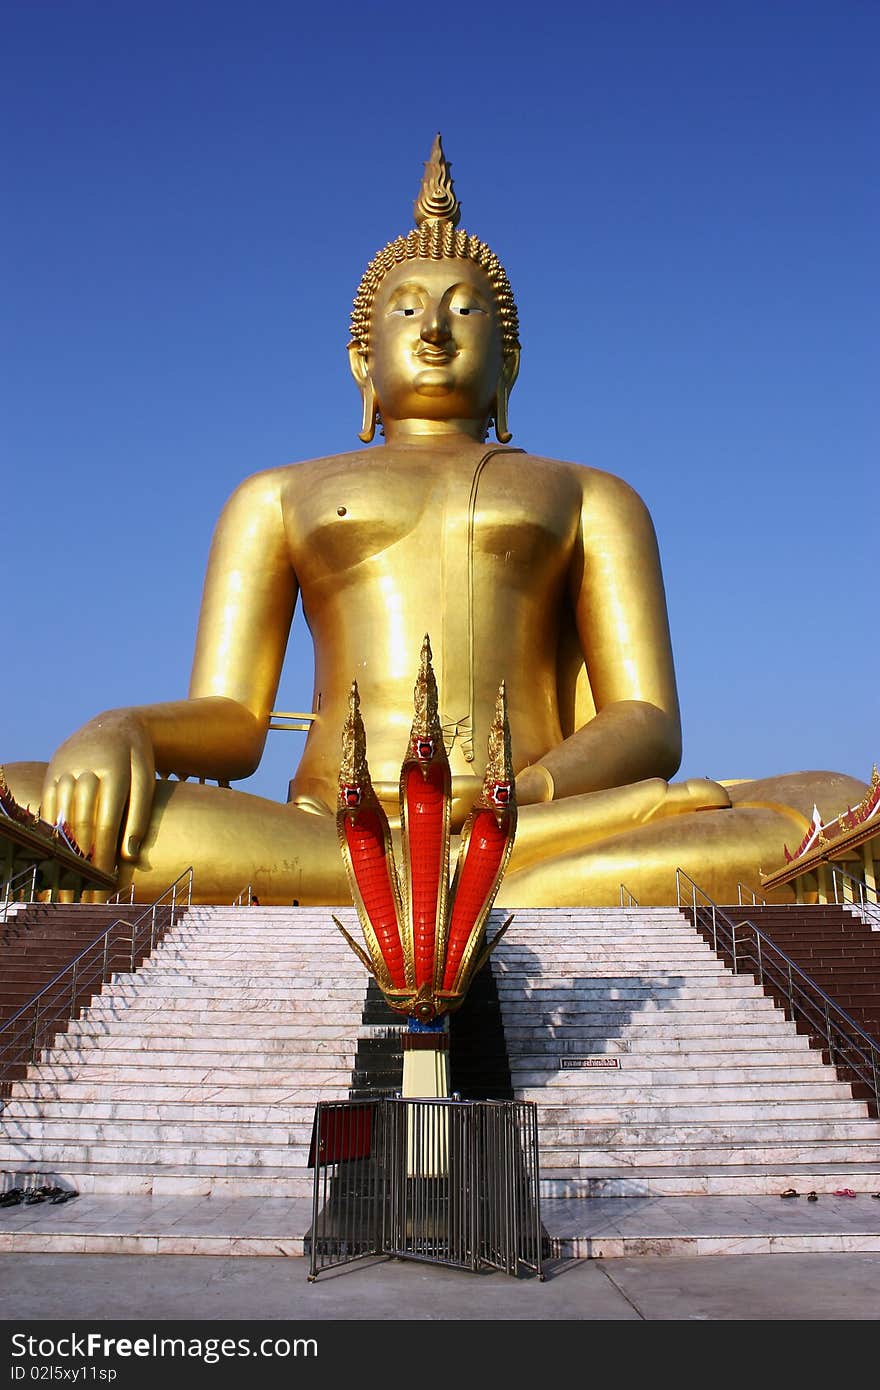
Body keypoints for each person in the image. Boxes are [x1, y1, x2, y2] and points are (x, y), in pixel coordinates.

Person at [3, 137, 865, 906]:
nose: (435, 330)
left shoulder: (591, 495)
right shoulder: (275, 493)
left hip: (531, 819)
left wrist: (523, 799)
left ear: (510, 364)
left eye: (465, 308)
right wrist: (125, 727)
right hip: (328, 833)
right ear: (360, 361)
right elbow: (233, 720)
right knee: (29, 794)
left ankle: (492, 865)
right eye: (407, 308)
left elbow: (645, 717)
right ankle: (458, 880)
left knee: (825, 805)